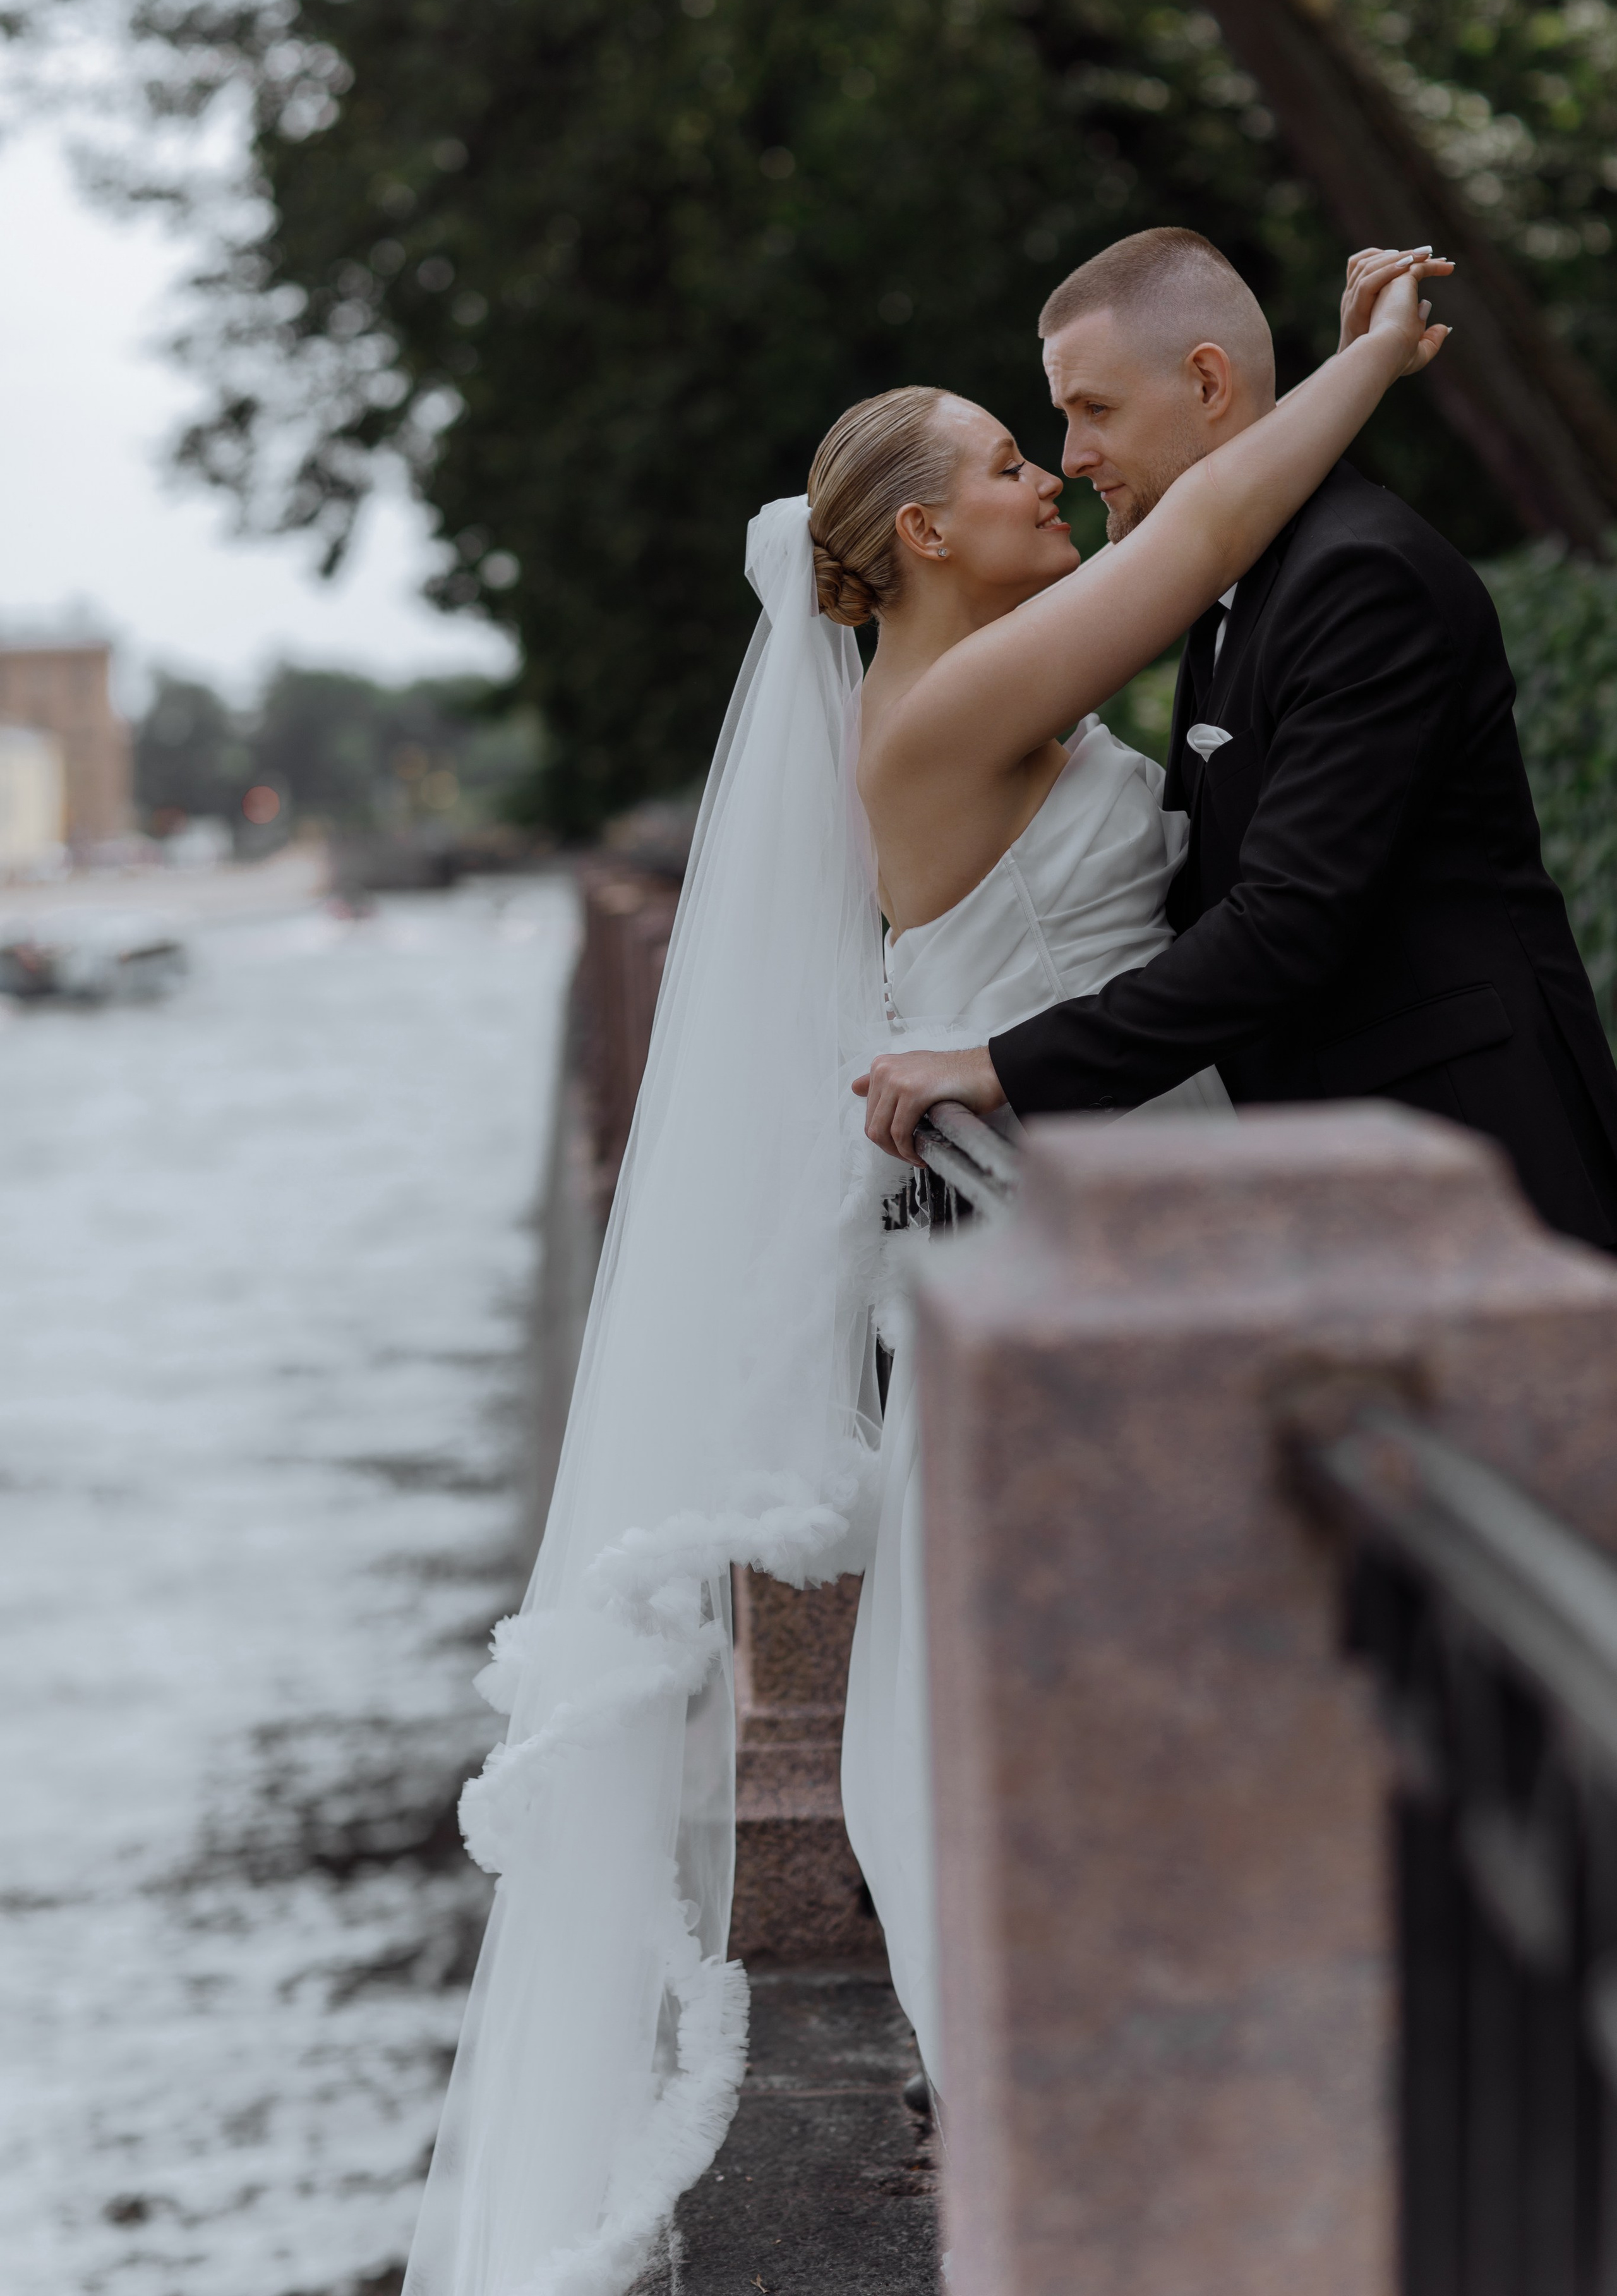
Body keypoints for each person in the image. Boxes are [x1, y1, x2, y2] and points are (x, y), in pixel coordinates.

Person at [403, 246, 1442, 2296]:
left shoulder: (984, 678)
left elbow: (1199, 554)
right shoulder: (955, 705)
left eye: (1054, 441)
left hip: (1117, 1210)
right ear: (921, 539)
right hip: (1074, 1239)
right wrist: (1373, 364)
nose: (1051, 473)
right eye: (1007, 461)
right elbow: (1207, 528)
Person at [858, 228, 1617, 1254]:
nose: (1069, 461)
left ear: (1208, 383)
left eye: (1094, 411)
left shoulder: (1357, 579)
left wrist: (1004, 1064)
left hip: (1464, 1154)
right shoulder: (1224, 586)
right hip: (1309, 1161)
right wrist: (1364, 363)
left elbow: (1289, 921)